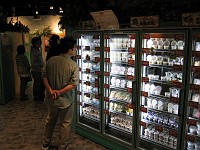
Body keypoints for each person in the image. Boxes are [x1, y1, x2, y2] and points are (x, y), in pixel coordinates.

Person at [42, 37, 79, 150]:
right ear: (69, 50)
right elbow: (73, 84)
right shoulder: (73, 65)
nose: (75, 49)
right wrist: (59, 92)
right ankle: (62, 146)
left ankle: (45, 143)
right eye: (74, 48)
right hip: (66, 100)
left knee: (50, 121)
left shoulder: (51, 60)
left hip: (51, 98)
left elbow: (44, 76)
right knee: (65, 123)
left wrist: (50, 90)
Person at [30, 36, 45, 101]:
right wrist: (41, 64)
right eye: (38, 43)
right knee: (37, 83)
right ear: (34, 43)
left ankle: (41, 94)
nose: (39, 44)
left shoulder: (38, 49)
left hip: (40, 70)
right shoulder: (33, 51)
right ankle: (36, 96)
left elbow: (41, 59)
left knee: (42, 83)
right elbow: (33, 62)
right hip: (36, 70)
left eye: (40, 43)